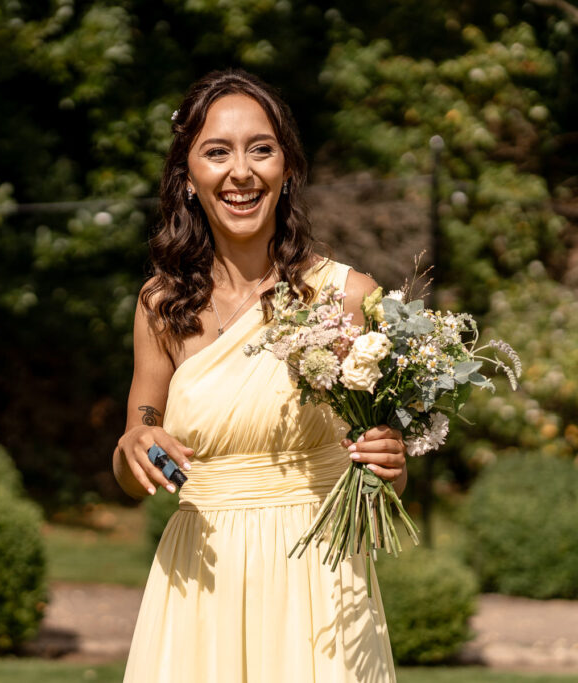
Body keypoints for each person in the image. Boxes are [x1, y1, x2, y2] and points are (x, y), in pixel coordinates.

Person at [113, 69, 404, 682]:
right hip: (200, 581)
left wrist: (390, 462)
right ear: (187, 178)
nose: (240, 172)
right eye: (216, 152)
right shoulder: (161, 306)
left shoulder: (348, 297)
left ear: (287, 169)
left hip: (318, 581)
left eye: (260, 149)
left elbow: (381, 475)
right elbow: (135, 453)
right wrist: (137, 441)